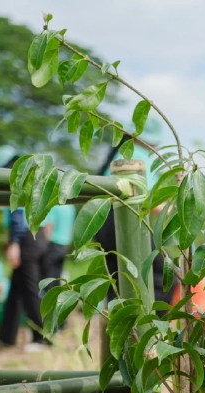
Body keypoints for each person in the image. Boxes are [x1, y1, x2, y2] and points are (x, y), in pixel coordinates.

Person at [95, 115, 178, 308]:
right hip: (127, 224)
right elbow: (149, 202)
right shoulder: (139, 157)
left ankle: (120, 333)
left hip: (105, 223)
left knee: (118, 281)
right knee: (163, 278)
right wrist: (173, 207)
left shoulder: (120, 154)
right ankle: (152, 330)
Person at [0, 145, 52, 350]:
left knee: (30, 289)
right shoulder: (31, 177)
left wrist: (15, 243)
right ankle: (7, 337)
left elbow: (17, 215)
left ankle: (42, 338)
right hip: (36, 235)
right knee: (16, 290)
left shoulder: (18, 180)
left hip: (26, 238)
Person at [42, 204, 76, 293]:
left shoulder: (54, 206)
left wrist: (45, 243)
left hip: (53, 243)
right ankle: (55, 299)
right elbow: (71, 228)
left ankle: (47, 299)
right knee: (57, 276)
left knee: (48, 277)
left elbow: (49, 225)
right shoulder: (71, 207)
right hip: (64, 245)